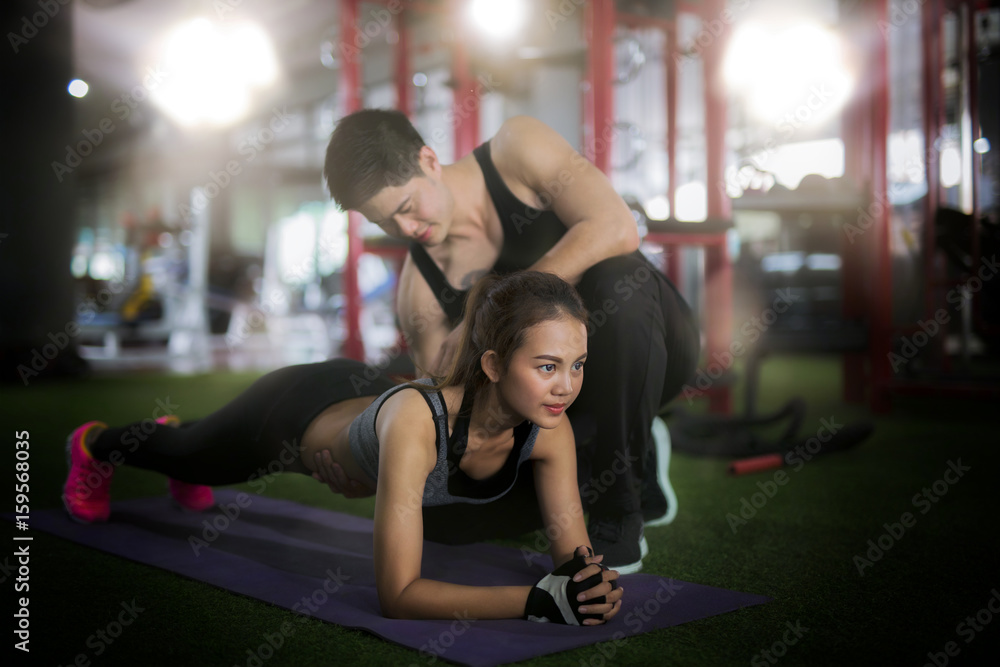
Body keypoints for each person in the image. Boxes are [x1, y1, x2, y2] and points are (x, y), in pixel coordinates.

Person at [62, 271, 623, 625]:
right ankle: (94, 445)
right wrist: (534, 601)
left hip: (363, 403)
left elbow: (572, 559)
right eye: (547, 366)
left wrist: (587, 584)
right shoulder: (417, 421)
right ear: (495, 365)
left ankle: (185, 449)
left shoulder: (551, 428)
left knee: (195, 451)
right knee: (187, 449)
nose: (567, 386)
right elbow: (399, 595)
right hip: (291, 413)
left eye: (577, 365)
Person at [323, 109, 701, 572]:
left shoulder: (518, 147)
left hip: (648, 344)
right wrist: (375, 464)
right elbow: (444, 422)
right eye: (385, 223)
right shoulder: (418, 293)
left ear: (428, 159)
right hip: (554, 405)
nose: (405, 230)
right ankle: (619, 447)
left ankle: (618, 510)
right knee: (442, 524)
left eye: (405, 208)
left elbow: (616, 226)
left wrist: (492, 311)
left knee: (619, 276)